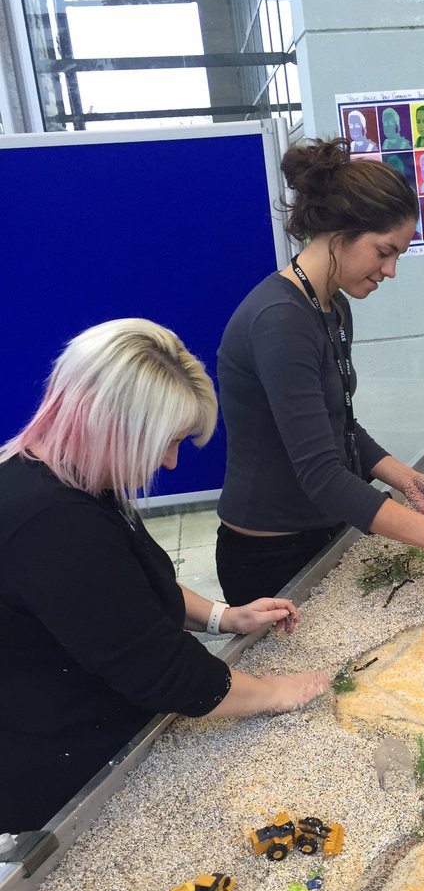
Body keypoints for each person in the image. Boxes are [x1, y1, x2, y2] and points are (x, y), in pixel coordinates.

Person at [0, 319, 329, 834]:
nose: (172, 462)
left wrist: (224, 617)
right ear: (113, 426)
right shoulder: (54, 524)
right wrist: (275, 692)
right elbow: (164, 671)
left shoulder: (71, 472)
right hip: (69, 765)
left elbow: (130, 585)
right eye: (168, 442)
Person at [216, 137, 424, 604]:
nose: (390, 270)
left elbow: (338, 425)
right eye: (384, 250)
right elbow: (322, 475)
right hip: (271, 554)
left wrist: (405, 479)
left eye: (398, 256)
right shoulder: (281, 320)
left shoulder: (332, 306)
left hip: (324, 531)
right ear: (339, 233)